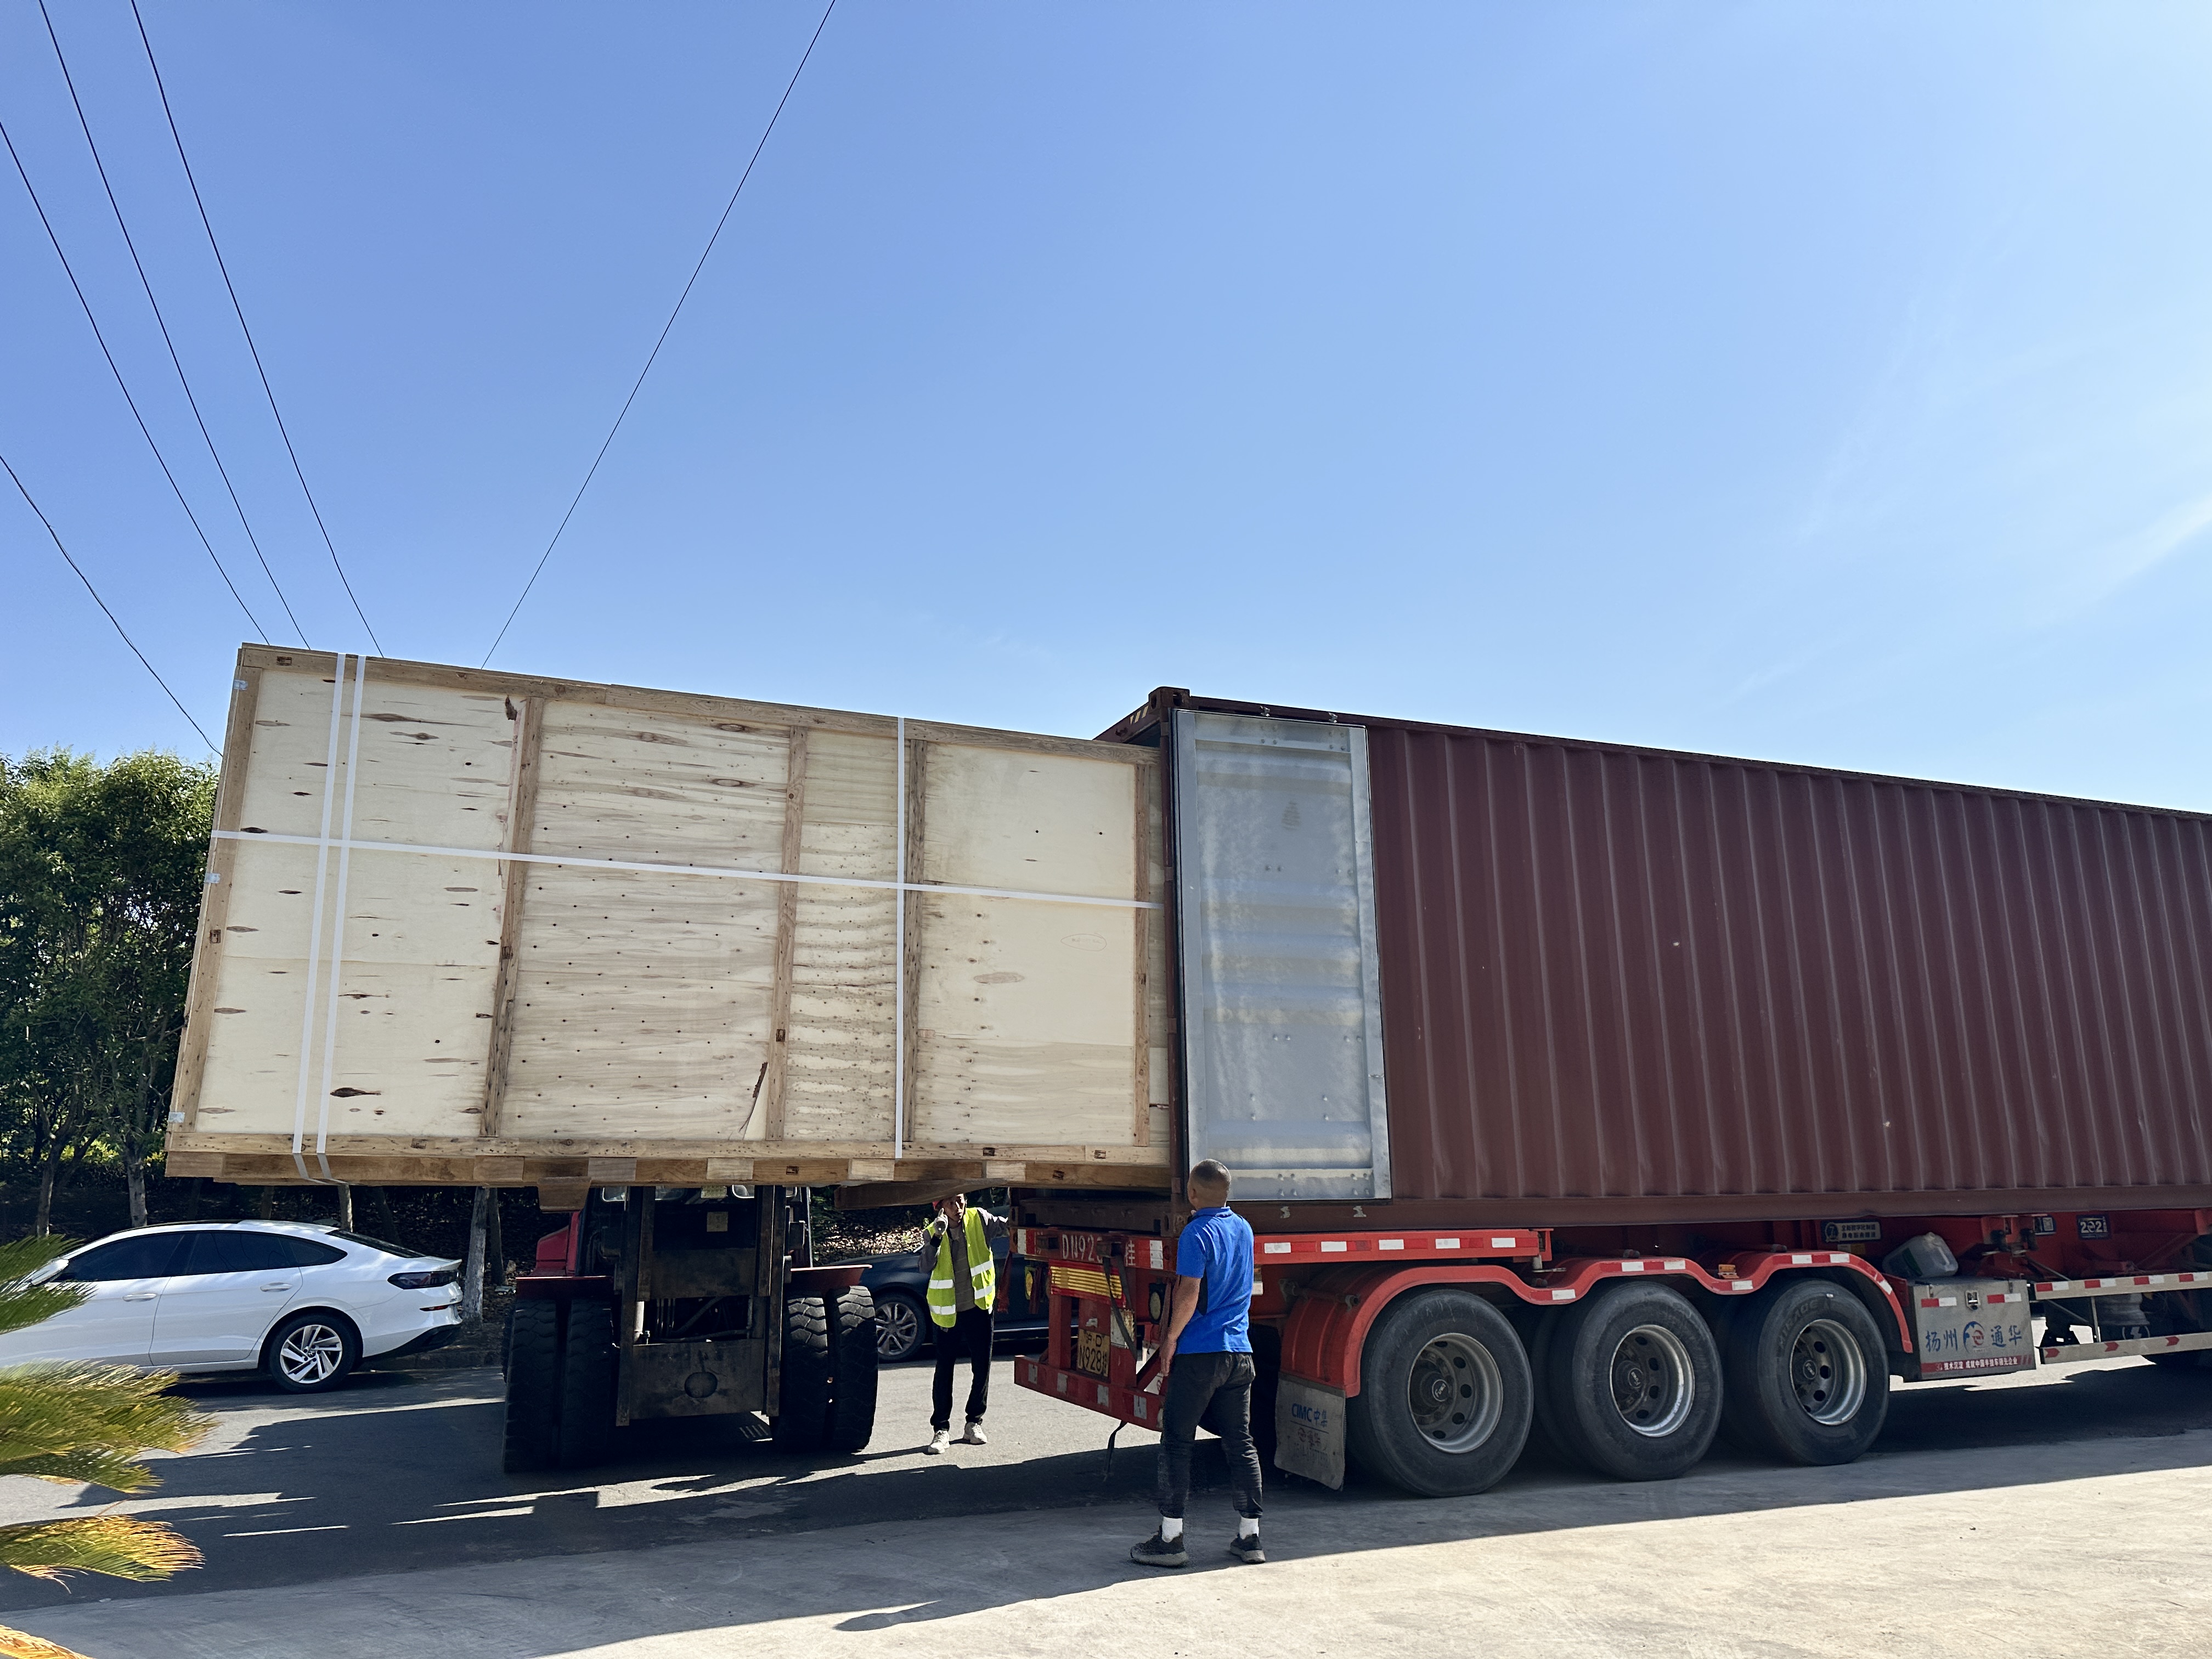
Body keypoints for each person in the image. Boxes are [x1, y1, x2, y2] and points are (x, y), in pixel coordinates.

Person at [1130, 1159, 1263, 1568]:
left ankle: (1170, 1541)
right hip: (1240, 1354)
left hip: (1200, 1354)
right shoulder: (1244, 1229)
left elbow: (1189, 1292)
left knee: (1177, 1441)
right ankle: (1250, 1538)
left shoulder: (1195, 1233)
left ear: (1192, 1194)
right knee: (1240, 1442)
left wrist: (1169, 1339)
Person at [921, 1190, 1006, 1455]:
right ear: (941, 1207)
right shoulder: (932, 1231)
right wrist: (937, 1236)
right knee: (944, 1370)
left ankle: (974, 1423)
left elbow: (1007, 1226)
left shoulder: (979, 1219)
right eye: (950, 1202)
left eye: (960, 1200)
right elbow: (925, 1266)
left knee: (982, 1366)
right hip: (948, 1312)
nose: (957, 1206)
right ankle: (941, 1429)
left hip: (979, 1307)